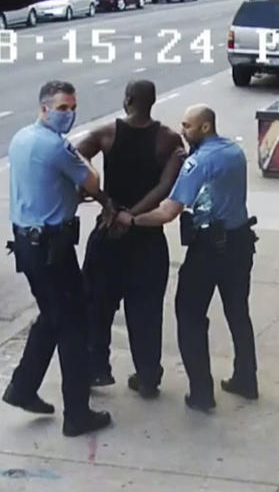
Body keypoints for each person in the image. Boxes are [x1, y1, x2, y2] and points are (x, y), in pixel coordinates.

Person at [109, 104, 258, 412]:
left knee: (189, 316)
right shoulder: (233, 152)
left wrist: (131, 219)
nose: (182, 131)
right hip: (240, 243)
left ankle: (201, 392)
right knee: (238, 312)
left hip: (208, 250)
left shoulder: (199, 162)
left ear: (205, 127)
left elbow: (169, 211)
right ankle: (246, 378)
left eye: (188, 126)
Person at [1, 80, 112, 436]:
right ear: (44, 108)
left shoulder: (21, 138)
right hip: (52, 251)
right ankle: (77, 413)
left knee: (52, 316)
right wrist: (76, 156)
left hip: (28, 246)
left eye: (72, 107)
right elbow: (92, 182)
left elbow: (44, 184)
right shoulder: (55, 147)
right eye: (62, 108)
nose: (69, 114)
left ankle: (23, 387)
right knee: (73, 327)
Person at [76, 80, 186, 399]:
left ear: (126, 101)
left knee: (97, 304)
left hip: (108, 232)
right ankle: (148, 376)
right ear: (153, 102)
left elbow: (75, 159)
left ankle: (97, 368)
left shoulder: (106, 134)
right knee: (146, 312)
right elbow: (165, 186)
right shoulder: (167, 139)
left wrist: (106, 202)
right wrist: (134, 216)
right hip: (148, 236)